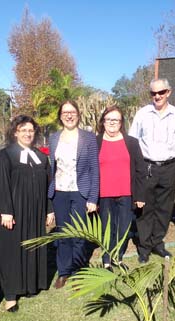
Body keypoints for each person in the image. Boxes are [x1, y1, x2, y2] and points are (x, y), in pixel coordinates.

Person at [0, 115, 55, 312]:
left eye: (30, 130)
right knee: (11, 251)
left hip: (35, 212)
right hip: (14, 212)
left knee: (32, 247)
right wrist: (5, 211)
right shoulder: (6, 155)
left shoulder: (41, 157)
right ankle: (10, 294)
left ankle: (29, 285)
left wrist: (49, 209)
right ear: (15, 132)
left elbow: (48, 185)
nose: (28, 133)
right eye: (23, 130)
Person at [129, 78, 175, 263]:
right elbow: (133, 142)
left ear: (168, 92)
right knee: (145, 209)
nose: (157, 96)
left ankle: (157, 243)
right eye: (153, 93)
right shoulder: (142, 114)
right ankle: (144, 247)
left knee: (164, 209)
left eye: (161, 92)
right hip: (147, 167)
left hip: (169, 168)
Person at [48, 100, 99, 288]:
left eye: (72, 112)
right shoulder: (54, 138)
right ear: (60, 116)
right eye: (65, 112)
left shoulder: (88, 137)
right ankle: (63, 272)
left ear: (78, 115)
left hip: (80, 191)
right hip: (59, 192)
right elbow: (51, 168)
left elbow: (95, 168)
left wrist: (93, 197)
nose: (69, 116)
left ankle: (78, 271)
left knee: (78, 233)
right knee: (63, 233)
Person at [96, 106, 147, 269]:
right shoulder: (95, 141)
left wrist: (140, 196)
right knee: (106, 228)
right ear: (103, 122)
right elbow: (90, 169)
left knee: (123, 227)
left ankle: (118, 257)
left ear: (121, 123)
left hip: (126, 194)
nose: (112, 123)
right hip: (104, 195)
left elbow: (141, 170)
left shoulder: (131, 142)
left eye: (116, 120)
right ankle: (106, 260)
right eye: (109, 119)